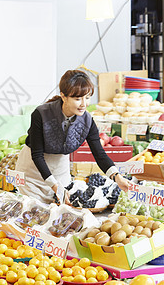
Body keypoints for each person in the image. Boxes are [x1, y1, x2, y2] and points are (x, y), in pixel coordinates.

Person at [16, 70, 130, 205]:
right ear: (63, 96)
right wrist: (53, 184)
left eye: (87, 97)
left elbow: (99, 154)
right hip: (32, 172)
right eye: (77, 99)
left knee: (60, 216)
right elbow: (37, 155)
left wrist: (117, 177)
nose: (84, 104)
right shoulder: (41, 114)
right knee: (32, 213)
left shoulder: (87, 121)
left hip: (60, 170)